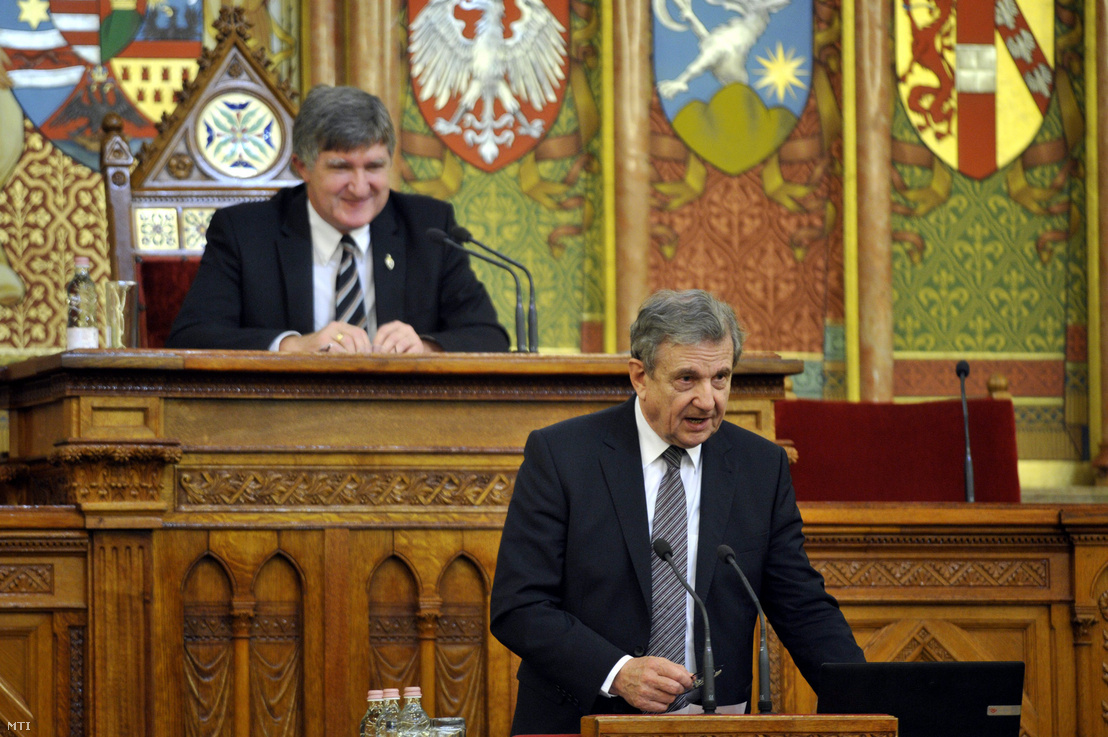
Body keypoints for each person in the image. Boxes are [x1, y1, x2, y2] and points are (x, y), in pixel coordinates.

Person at [489, 289, 864, 734]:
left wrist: (870, 699)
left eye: (720, 378)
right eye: (687, 379)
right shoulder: (563, 456)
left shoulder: (760, 467)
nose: (708, 400)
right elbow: (520, 607)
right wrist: (617, 671)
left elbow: (801, 607)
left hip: (712, 726)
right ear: (640, 376)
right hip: (581, 721)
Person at [166, 85, 509, 353]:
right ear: (303, 167)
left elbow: (488, 337)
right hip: (283, 422)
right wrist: (293, 346)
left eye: (374, 167)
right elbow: (192, 337)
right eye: (341, 167)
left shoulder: (430, 228)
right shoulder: (244, 233)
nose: (360, 188)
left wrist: (425, 347)